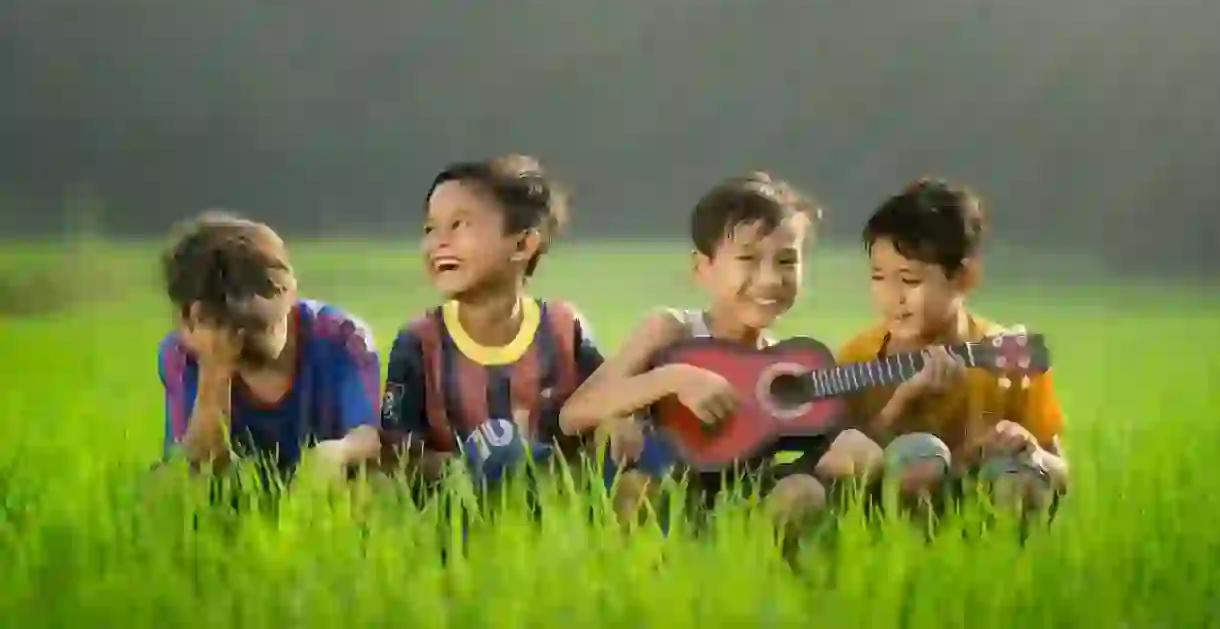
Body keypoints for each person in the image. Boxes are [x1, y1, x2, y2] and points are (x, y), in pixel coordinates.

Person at [558, 172, 882, 548]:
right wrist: (675, 378)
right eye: (748, 258)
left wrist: (847, 449)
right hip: (666, 489)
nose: (769, 278)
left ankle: (762, 572)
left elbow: (822, 440)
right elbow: (576, 413)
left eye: (786, 261)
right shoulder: (673, 329)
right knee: (637, 488)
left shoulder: (789, 364)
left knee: (812, 487)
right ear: (703, 268)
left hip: (744, 498)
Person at [837, 177, 1069, 515]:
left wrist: (1033, 452)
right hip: (890, 511)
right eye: (877, 277)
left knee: (1022, 478)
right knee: (919, 458)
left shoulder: (1007, 356)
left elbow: (1062, 475)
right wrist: (900, 405)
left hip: (979, 503)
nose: (891, 297)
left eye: (909, 280)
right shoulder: (858, 358)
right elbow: (838, 471)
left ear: (965, 277)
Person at [378, 155, 603, 488]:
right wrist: (472, 466)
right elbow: (397, 454)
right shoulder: (419, 342)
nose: (439, 242)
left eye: (460, 225)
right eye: (430, 228)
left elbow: (606, 415)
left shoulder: (564, 329)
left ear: (523, 244)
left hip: (555, 507)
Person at [157, 212, 382, 481]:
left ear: (288, 291)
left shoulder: (341, 336)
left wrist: (340, 452)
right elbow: (193, 466)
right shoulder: (182, 354)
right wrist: (214, 372)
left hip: (326, 485)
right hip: (236, 488)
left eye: (259, 326)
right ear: (191, 318)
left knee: (375, 477)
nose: (242, 339)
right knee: (166, 482)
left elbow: (372, 433)